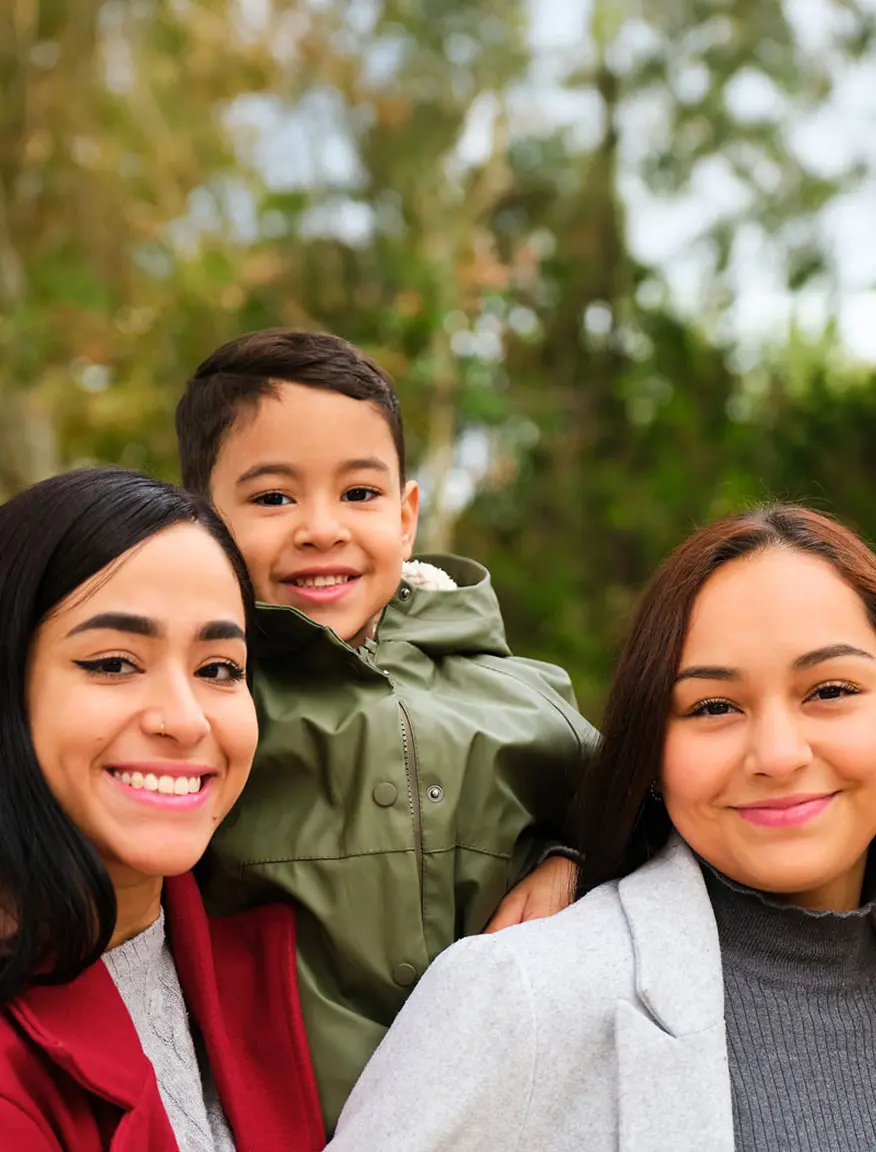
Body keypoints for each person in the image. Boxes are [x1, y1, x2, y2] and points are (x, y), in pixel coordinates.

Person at [327, 503, 876, 1152]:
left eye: (831, 691)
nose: (779, 755)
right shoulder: (518, 994)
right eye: (715, 706)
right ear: (650, 752)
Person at [175, 327, 598, 1130]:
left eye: (359, 494)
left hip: (515, 1117)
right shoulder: (208, 707)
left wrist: (575, 859)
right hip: (295, 1125)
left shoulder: (516, 693)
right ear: (201, 517)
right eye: (273, 498)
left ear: (406, 517)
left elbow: (642, 807)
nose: (322, 528)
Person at [0, 468, 324, 1151]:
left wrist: (563, 861)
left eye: (218, 669)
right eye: (115, 663)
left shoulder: (288, 959)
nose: (185, 720)